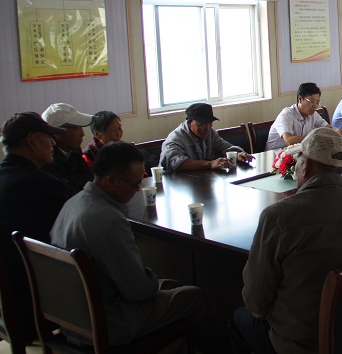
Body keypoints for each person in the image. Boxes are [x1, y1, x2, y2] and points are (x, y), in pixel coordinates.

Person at [233, 128, 342, 354]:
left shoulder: (278, 217)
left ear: (305, 165)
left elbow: (256, 302)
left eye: (298, 159)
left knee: (238, 318)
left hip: (301, 344)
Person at [51, 142, 204, 346]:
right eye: (135, 184)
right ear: (111, 180)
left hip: (70, 318)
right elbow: (137, 291)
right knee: (194, 295)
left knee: (171, 284)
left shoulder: (73, 203)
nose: (137, 190)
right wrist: (151, 279)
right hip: (107, 322)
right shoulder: (108, 219)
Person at [0, 112, 68, 343]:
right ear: (31, 140)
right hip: (36, 305)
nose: (53, 143)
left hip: (6, 303)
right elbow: (68, 238)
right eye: (48, 137)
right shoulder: (44, 185)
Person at [160, 102, 253, 171]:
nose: (207, 128)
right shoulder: (175, 139)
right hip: (176, 184)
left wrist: (237, 155)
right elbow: (175, 163)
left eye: (210, 123)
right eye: (201, 124)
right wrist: (210, 164)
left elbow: (225, 147)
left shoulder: (211, 133)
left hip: (201, 180)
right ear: (190, 122)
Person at [266, 82, 342, 150]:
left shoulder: (313, 114)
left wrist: (336, 130)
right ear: (300, 99)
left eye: (317, 102)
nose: (315, 105)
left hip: (297, 152)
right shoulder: (287, 114)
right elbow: (289, 140)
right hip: (275, 155)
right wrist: (314, 138)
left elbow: (328, 128)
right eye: (312, 101)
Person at [41, 103, 94, 196]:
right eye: (76, 129)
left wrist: (69, 181)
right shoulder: (45, 158)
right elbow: (62, 191)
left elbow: (90, 176)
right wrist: (78, 179)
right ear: (58, 133)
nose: (83, 134)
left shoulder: (75, 149)